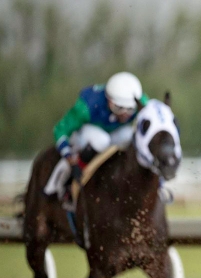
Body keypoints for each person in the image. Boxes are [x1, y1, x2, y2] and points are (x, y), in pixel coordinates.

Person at [45, 72, 149, 205]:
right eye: (119, 108)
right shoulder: (86, 106)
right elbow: (60, 130)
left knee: (131, 134)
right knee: (101, 140)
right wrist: (70, 158)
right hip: (86, 133)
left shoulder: (142, 101)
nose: (124, 115)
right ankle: (56, 186)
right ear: (109, 100)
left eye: (130, 110)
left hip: (113, 133)